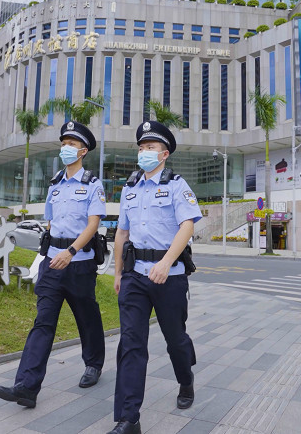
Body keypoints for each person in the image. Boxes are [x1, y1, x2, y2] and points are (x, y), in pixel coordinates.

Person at [0, 120, 106, 408]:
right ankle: (26, 387)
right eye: (63, 143)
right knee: (42, 323)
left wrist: (70, 251)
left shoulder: (93, 184)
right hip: (51, 264)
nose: (65, 148)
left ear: (82, 151)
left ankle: (93, 363)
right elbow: (50, 221)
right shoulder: (55, 182)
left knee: (86, 316)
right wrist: (52, 253)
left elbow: (93, 225)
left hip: (79, 264)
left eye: (71, 144)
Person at [108, 121, 202, 434]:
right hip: (135, 277)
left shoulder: (177, 184)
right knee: (132, 344)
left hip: (169, 277)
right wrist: (118, 271)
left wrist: (165, 262)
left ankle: (185, 380)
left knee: (175, 340)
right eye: (141, 147)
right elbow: (122, 232)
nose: (143, 153)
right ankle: (128, 418)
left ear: (163, 154)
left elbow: (187, 226)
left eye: (149, 148)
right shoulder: (130, 187)